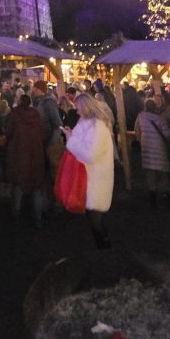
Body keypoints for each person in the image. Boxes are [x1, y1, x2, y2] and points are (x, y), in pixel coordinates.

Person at [66, 93, 114, 248]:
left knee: (95, 216)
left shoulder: (97, 126)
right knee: (92, 214)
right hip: (90, 175)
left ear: (86, 107)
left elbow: (91, 154)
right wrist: (71, 135)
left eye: (78, 107)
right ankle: (102, 242)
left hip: (97, 177)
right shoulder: (87, 123)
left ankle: (104, 243)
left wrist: (71, 140)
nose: (76, 111)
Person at [4, 95, 46, 228]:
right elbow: (43, 132)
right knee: (36, 186)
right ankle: (37, 217)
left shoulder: (14, 114)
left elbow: (8, 132)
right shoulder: (36, 115)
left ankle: (16, 215)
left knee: (18, 184)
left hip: (19, 153)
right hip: (35, 154)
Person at [134, 98, 170, 208]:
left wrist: (140, 140)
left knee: (150, 173)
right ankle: (168, 196)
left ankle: (153, 200)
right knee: (163, 173)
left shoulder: (140, 116)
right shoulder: (160, 119)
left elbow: (137, 130)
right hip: (159, 147)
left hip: (147, 147)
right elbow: (167, 134)